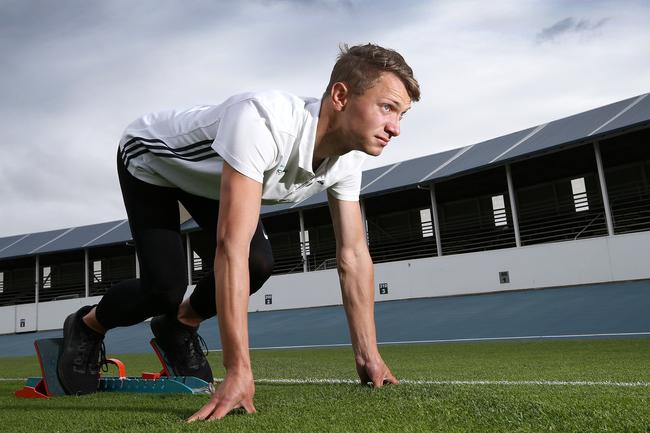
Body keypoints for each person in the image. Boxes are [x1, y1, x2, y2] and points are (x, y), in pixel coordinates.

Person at [57, 43, 420, 421]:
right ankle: (87, 325)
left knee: (258, 263)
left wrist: (368, 355)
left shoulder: (351, 154)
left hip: (215, 178)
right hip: (153, 162)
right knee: (164, 288)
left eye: (402, 115)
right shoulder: (264, 122)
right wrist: (238, 370)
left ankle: (180, 324)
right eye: (387, 108)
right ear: (341, 95)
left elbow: (354, 256)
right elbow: (229, 246)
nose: (395, 128)